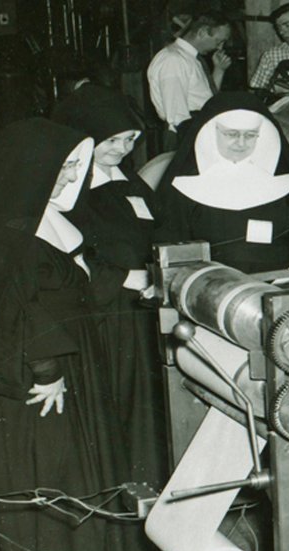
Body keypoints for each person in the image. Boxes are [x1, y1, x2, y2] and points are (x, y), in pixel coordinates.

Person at [0, 118, 134, 551]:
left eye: (75, 167)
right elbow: (15, 310)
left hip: (69, 354)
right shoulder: (8, 230)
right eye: (64, 168)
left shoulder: (37, 214)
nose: (71, 178)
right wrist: (47, 370)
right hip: (34, 367)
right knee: (50, 463)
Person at [50, 84, 168, 527]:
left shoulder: (130, 182)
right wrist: (124, 278)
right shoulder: (67, 190)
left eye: (130, 140)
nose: (121, 149)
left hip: (140, 312)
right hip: (102, 315)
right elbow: (65, 260)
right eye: (111, 141)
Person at [153, 91, 289, 273]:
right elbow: (172, 253)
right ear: (211, 132)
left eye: (250, 135)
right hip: (209, 284)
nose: (241, 143)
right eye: (231, 134)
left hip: (281, 281)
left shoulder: (284, 183)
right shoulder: (186, 186)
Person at [146, 11, 232, 137]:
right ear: (202, 32)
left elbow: (205, 99)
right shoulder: (173, 60)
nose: (220, 47)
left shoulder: (189, 58)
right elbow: (177, 116)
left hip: (197, 127)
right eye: (218, 41)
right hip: (187, 132)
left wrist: (219, 70)